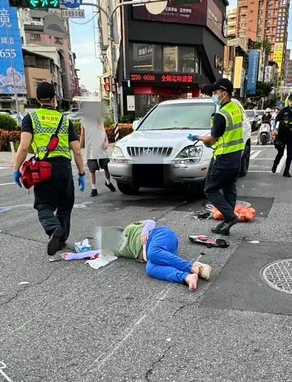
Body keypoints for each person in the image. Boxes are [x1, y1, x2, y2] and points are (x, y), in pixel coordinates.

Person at [13, 81, 87, 256]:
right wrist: (81, 173)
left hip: (44, 169)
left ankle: (54, 229)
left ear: (38, 99)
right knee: (65, 205)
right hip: (64, 168)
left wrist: (16, 169)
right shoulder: (65, 120)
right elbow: (77, 149)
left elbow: (24, 147)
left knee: (43, 205)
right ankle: (60, 240)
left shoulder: (31, 118)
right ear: (54, 99)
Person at [63, 220, 211, 291]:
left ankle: (192, 267)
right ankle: (187, 277)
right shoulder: (115, 249)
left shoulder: (130, 227)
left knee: (153, 253)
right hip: (160, 255)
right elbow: (94, 253)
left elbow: (151, 222)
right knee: (150, 269)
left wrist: (145, 231)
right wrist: (72, 256)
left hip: (161, 236)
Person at [190, 78, 245, 236]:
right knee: (229, 189)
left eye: (215, 92)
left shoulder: (221, 115)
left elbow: (211, 140)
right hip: (236, 157)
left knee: (210, 189)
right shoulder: (236, 108)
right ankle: (227, 222)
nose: (213, 95)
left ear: (224, 94)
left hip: (223, 158)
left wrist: (198, 137)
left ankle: (230, 217)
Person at [82, 110, 116, 197]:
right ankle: (94, 188)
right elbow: (82, 135)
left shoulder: (100, 119)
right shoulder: (84, 120)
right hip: (91, 149)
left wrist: (107, 142)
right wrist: (78, 148)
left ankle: (108, 182)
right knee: (92, 169)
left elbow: (104, 132)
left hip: (101, 148)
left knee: (106, 167)